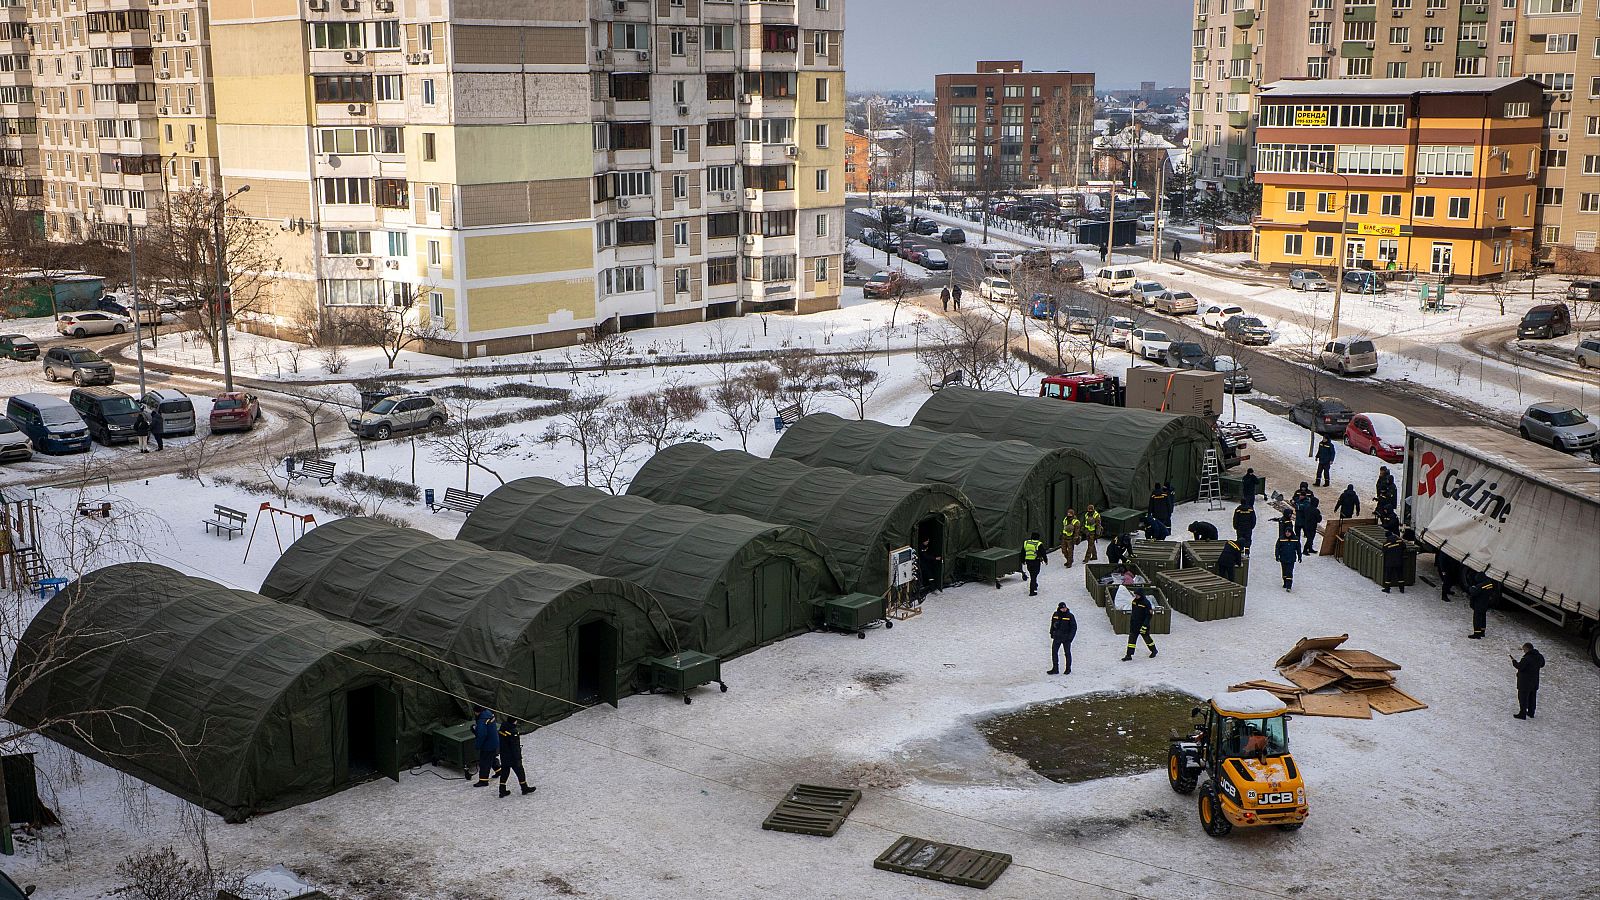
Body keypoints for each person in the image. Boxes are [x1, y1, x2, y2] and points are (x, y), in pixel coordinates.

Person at [495, 716, 536, 797]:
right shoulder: (513, 732)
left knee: (505, 772)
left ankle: (502, 790)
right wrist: (518, 757)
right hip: (512, 756)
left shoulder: (502, 728)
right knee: (520, 771)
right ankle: (524, 788)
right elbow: (515, 746)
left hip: (504, 754)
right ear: (515, 721)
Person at [1121, 588, 1158, 661]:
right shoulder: (1134, 602)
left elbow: (1149, 616)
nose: (1136, 596)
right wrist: (1131, 623)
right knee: (1131, 640)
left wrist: (1145, 626)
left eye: (1137, 595)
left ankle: (1154, 650)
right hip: (1135, 625)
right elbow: (1133, 614)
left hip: (1143, 625)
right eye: (1135, 595)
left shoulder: (1146, 603)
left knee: (1147, 639)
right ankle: (1129, 655)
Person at [1512, 643, 1544, 720]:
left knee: (1523, 697)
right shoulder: (1539, 656)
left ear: (1527, 649)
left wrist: (1514, 661)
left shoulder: (1526, 658)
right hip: (1534, 681)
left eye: (1524, 649)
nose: (1524, 651)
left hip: (1525, 682)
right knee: (1532, 697)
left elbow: (1520, 667)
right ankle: (1531, 713)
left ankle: (1522, 714)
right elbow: (1542, 664)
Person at [471, 707, 500, 788]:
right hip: (494, 741)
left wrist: (477, 745)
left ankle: (483, 781)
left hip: (487, 745)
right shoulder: (489, 714)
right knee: (492, 757)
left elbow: (482, 735)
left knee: (484, 763)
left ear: (477, 712)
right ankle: (498, 770)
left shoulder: (482, 721)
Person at [1048, 602, 1077, 675]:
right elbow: (1052, 624)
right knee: (1054, 652)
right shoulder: (1055, 615)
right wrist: (1052, 632)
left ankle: (1068, 668)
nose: (1064, 609)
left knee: (1067, 653)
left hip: (1066, 638)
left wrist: (1070, 638)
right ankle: (1055, 669)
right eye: (1062, 608)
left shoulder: (1070, 616)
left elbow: (1074, 627)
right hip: (1057, 637)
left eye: (1065, 608)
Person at [1467, 571, 1498, 639]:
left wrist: (1470, 587)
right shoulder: (1489, 583)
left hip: (1479, 604)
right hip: (1485, 603)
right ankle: (1482, 632)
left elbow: (1473, 591)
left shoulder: (1481, 585)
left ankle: (1477, 634)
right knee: (1483, 617)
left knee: (1477, 619)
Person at [1021, 531, 1047, 595]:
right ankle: (1032, 590)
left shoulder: (1026, 543)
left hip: (1028, 561)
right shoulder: (1038, 544)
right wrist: (1046, 560)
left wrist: (1022, 560)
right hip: (1035, 561)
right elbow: (1043, 553)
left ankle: (1034, 584)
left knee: (1032, 574)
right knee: (1034, 575)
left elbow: (1023, 552)